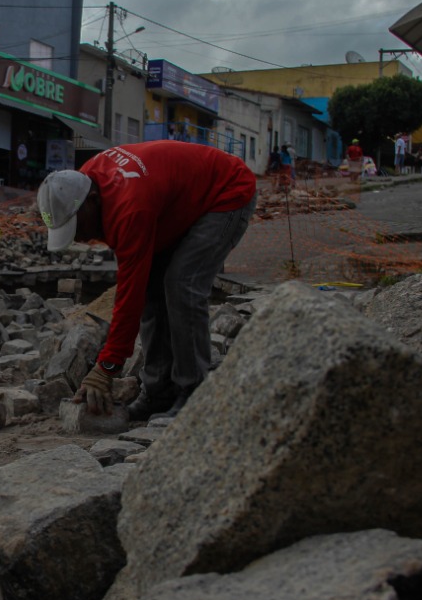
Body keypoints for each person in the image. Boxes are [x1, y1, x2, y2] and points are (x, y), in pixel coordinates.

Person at [37, 141, 257, 421]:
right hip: (177, 201)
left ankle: (195, 393)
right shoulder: (82, 183)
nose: (79, 237)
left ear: (92, 200)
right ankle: (159, 391)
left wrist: (106, 367)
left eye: (77, 226)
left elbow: (129, 296)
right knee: (154, 289)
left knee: (182, 284)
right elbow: (141, 290)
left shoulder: (128, 209)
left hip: (225, 191)